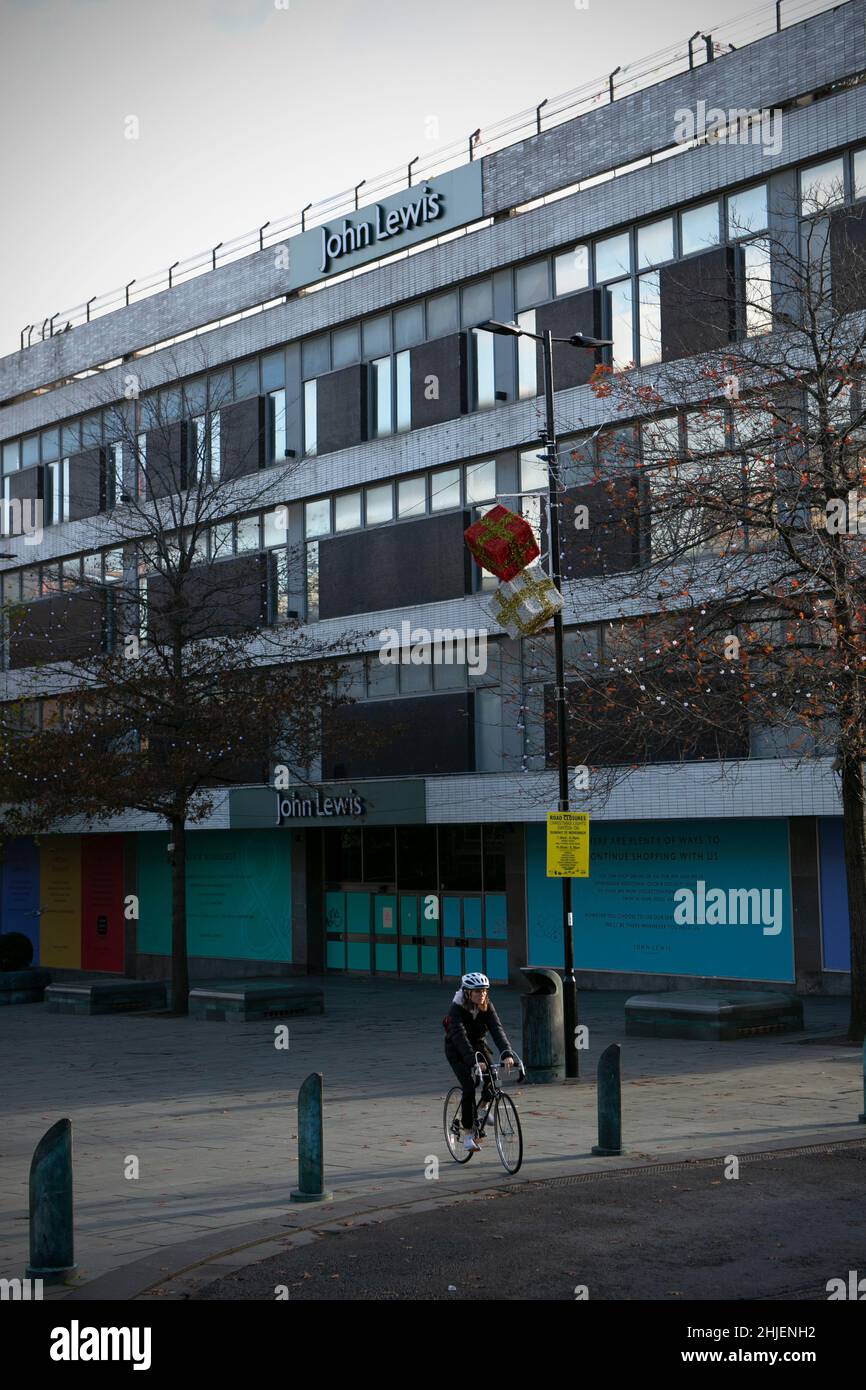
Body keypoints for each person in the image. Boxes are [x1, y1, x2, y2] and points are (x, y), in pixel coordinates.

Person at [444, 972, 515, 1152]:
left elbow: (497, 1029)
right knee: (469, 1086)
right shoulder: (456, 1009)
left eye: (484, 990)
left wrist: (507, 1053)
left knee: (493, 1077)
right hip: (456, 1050)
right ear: (467, 993)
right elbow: (459, 1037)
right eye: (477, 991)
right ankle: (468, 1134)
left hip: (478, 1045)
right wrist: (473, 1062)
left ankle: (482, 1109)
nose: (482, 994)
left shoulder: (487, 1005)